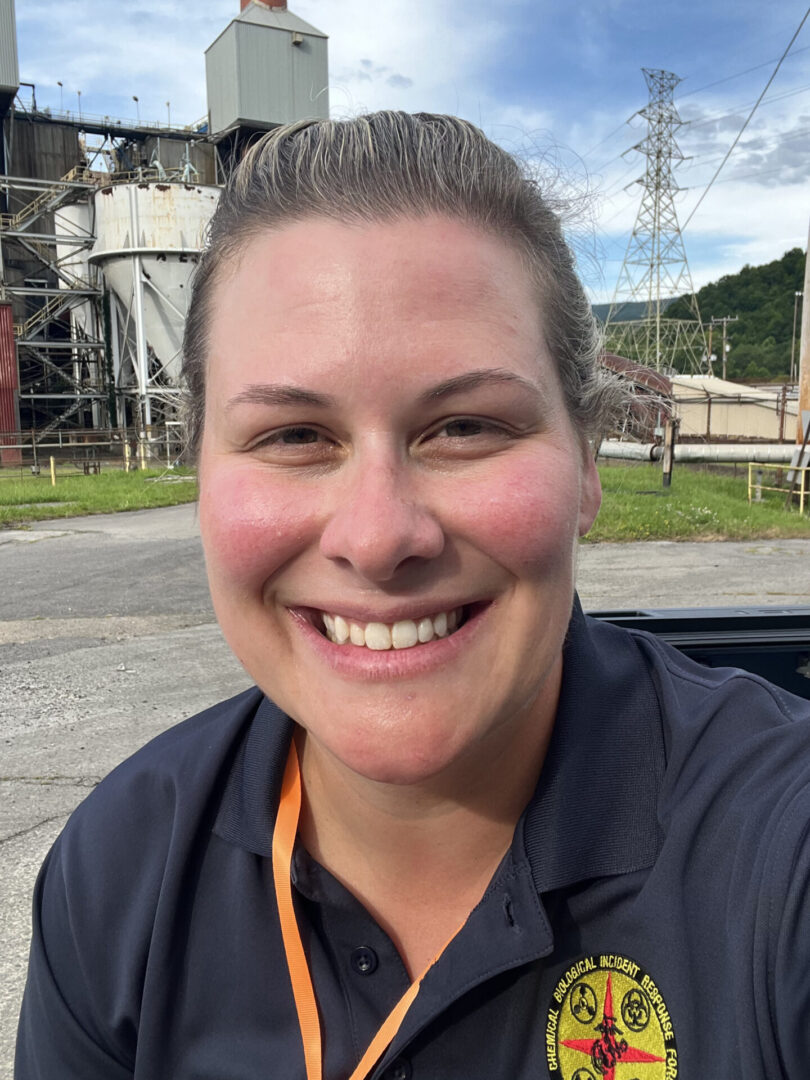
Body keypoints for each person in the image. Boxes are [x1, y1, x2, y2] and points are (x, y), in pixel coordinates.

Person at [15, 112, 810, 1080]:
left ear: (589, 461)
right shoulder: (125, 864)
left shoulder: (778, 851)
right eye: (295, 435)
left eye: (466, 426)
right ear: (200, 473)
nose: (379, 536)